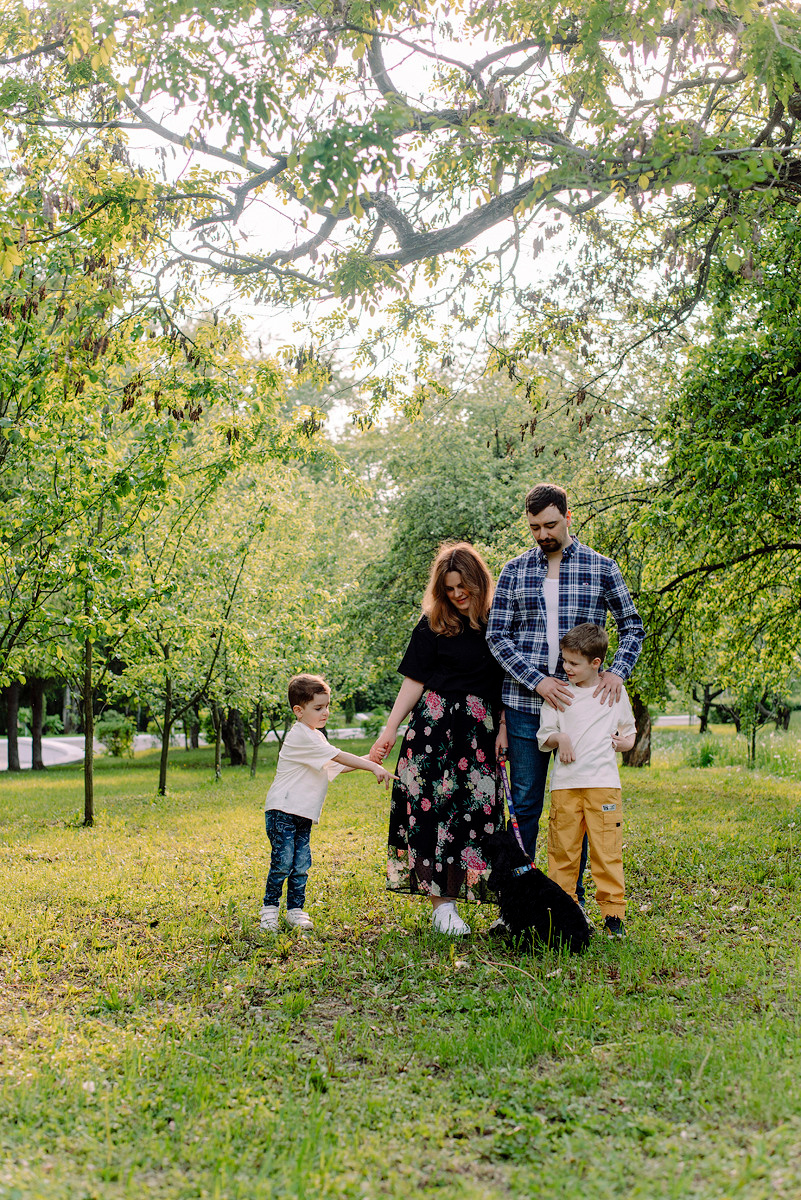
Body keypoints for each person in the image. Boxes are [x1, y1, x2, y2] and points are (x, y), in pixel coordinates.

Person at [486, 482, 644, 893]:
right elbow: (497, 636)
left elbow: (632, 626)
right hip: (525, 702)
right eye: (535, 527)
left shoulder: (601, 567)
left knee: (585, 804)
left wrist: (617, 671)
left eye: (550, 525)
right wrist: (538, 681)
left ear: (568, 517)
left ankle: (568, 900)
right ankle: (519, 898)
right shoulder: (514, 570)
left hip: (586, 708)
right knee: (525, 804)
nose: (543, 535)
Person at [370, 543, 506, 936]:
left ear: (479, 582)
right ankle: (441, 907)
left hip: (478, 734)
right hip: (432, 729)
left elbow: (506, 682)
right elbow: (414, 678)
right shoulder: (433, 620)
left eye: (464, 586)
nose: (458, 595)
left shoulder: (499, 620)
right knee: (430, 813)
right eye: (449, 588)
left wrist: (502, 725)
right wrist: (390, 727)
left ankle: (488, 898)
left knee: (479, 814)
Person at [260, 673, 394, 933]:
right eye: (318, 708)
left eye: (327, 706)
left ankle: (295, 911)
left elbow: (337, 765)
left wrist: (371, 758)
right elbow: (339, 756)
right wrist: (371, 767)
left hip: (302, 813)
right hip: (282, 811)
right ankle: (269, 910)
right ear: (298, 711)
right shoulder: (301, 736)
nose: (326, 713)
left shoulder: (316, 738)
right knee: (282, 862)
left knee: (300, 864)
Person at [537, 623, 636, 938]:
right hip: (565, 788)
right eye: (564, 661)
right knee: (563, 852)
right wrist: (560, 737)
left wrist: (624, 743)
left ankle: (613, 916)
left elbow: (629, 732)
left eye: (573, 663)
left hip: (604, 786)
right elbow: (545, 734)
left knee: (606, 852)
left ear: (596, 663)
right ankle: (566, 912)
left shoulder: (614, 692)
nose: (566, 668)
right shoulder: (558, 694)